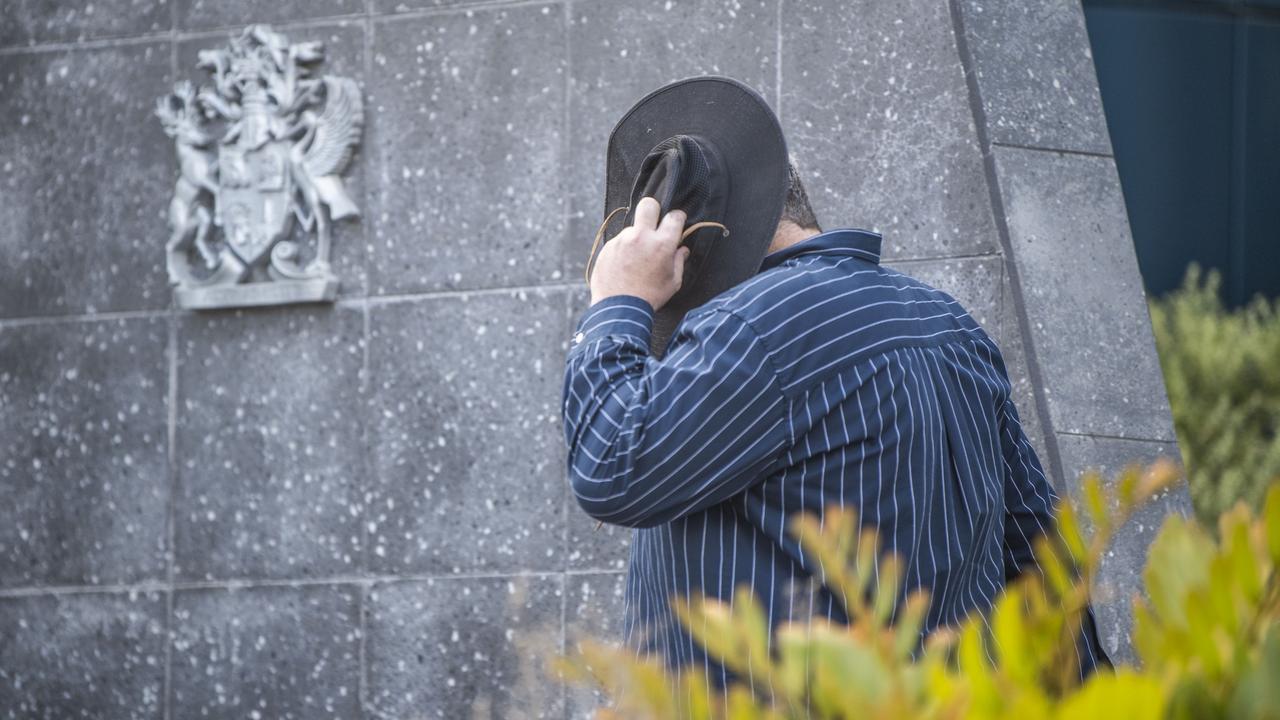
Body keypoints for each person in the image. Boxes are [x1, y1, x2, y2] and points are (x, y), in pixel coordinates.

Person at [561, 77, 1107, 704]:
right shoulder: (947, 321)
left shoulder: (750, 328)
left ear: (682, 243)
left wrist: (619, 299)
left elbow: (610, 466)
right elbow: (1039, 551)